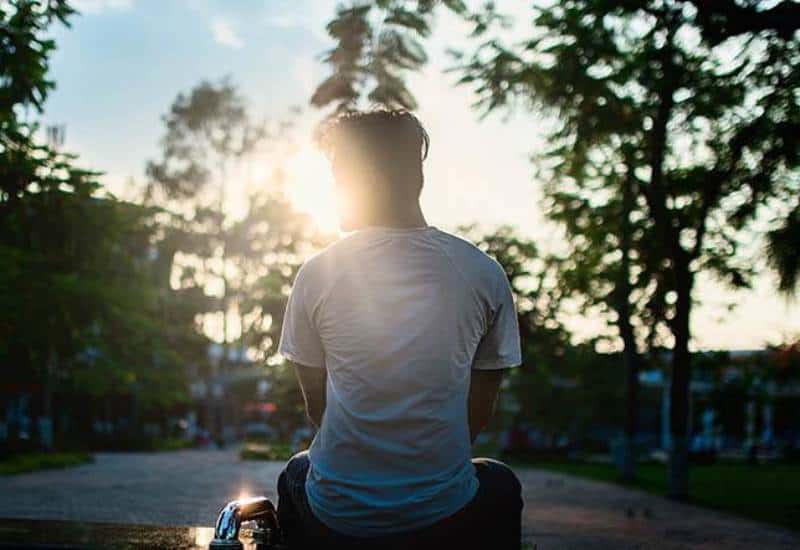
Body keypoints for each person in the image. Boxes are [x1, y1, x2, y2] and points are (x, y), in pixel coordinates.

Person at [276, 109, 523, 549]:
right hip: (443, 513)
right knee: (500, 483)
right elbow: (477, 413)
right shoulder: (482, 273)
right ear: (417, 177)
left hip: (336, 514)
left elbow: (319, 409)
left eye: (338, 175)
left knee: (296, 471)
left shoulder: (317, 274)